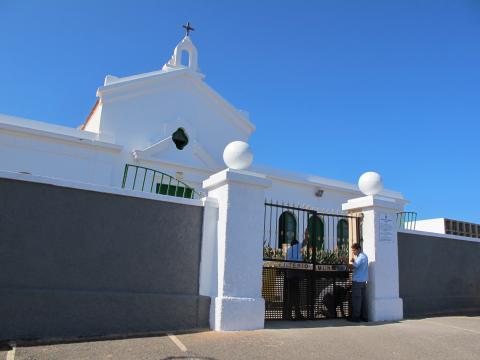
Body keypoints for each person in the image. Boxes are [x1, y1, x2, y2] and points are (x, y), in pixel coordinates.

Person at [285, 239, 305, 320]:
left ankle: (289, 314)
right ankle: (297, 314)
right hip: (295, 275)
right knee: (296, 295)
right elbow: (300, 261)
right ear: (296, 245)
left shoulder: (288, 250)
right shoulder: (296, 248)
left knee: (291, 295)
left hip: (289, 275)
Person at [348, 243, 368, 322]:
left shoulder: (360, 257)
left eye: (354, 250)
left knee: (357, 300)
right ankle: (364, 317)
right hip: (363, 281)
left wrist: (344, 261)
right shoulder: (364, 256)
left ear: (358, 249)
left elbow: (352, 267)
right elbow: (358, 265)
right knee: (363, 300)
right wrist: (354, 261)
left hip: (357, 282)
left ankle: (356, 317)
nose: (353, 252)